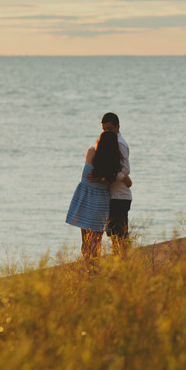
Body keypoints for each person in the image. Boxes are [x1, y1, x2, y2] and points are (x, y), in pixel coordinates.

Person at [66, 130, 130, 261]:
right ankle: (95, 269)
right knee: (96, 241)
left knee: (85, 240)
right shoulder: (112, 165)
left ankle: (89, 268)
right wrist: (103, 178)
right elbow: (129, 182)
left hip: (84, 199)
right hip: (100, 202)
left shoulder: (90, 152)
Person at [90, 112, 132, 253]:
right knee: (114, 235)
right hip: (112, 196)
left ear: (118, 126)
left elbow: (126, 169)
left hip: (120, 196)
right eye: (104, 129)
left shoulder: (120, 144)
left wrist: (109, 178)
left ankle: (125, 266)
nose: (106, 132)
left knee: (120, 236)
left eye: (109, 128)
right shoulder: (107, 142)